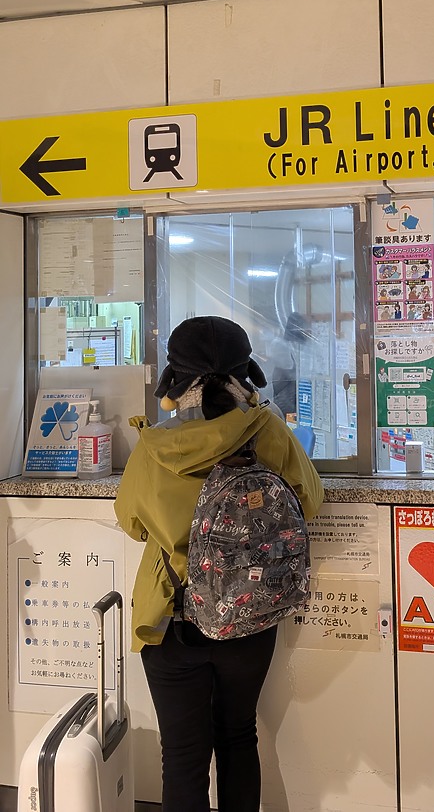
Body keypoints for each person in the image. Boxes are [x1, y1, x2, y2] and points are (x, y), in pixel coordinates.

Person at [115, 315, 324, 812]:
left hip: (171, 618)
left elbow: (132, 522)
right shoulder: (267, 430)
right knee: (237, 737)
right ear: (243, 372)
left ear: (175, 379)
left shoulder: (154, 446)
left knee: (183, 757)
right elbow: (308, 501)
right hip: (248, 616)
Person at [269, 311, 311, 421]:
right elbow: (289, 371)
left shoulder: (293, 345)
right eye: (301, 328)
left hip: (290, 393)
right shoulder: (280, 344)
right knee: (286, 420)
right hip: (285, 393)